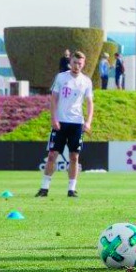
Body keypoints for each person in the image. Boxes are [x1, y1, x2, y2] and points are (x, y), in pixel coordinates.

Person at [37, 51, 94, 198]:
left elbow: (89, 103)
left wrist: (88, 122)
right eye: (75, 62)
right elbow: (54, 99)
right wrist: (53, 118)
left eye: (80, 63)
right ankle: (44, 188)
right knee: (52, 155)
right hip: (61, 122)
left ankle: (71, 189)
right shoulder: (61, 77)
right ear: (71, 62)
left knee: (74, 156)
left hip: (76, 123)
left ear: (83, 64)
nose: (77, 66)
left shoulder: (86, 81)